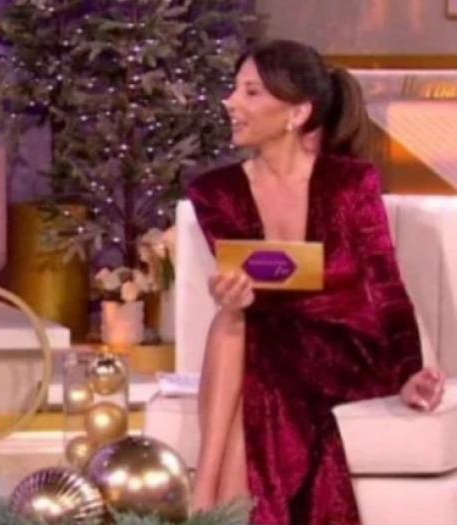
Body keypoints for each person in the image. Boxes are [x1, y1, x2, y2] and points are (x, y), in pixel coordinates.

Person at [186, 39, 446, 525]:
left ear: (297, 112)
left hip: (345, 348)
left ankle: (207, 503)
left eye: (251, 92)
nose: (230, 102)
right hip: (265, 342)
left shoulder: (351, 183)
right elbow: (242, 275)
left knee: (256, 354)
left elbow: (387, 289)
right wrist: (231, 293)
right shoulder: (214, 192)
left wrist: (408, 371)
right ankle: (210, 495)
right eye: (234, 88)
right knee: (236, 325)